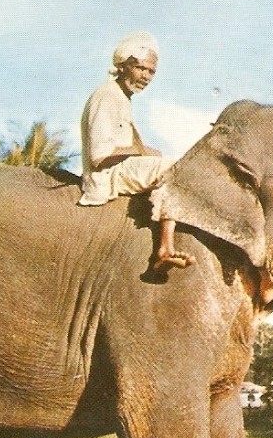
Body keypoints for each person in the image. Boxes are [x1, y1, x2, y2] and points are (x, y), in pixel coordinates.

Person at [79, 31, 193, 271]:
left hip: (119, 169)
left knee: (162, 157)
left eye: (151, 72)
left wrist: (145, 151)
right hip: (107, 175)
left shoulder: (121, 97)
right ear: (123, 65)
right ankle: (165, 247)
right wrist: (139, 152)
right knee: (176, 170)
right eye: (141, 69)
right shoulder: (107, 95)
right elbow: (99, 155)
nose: (146, 77)